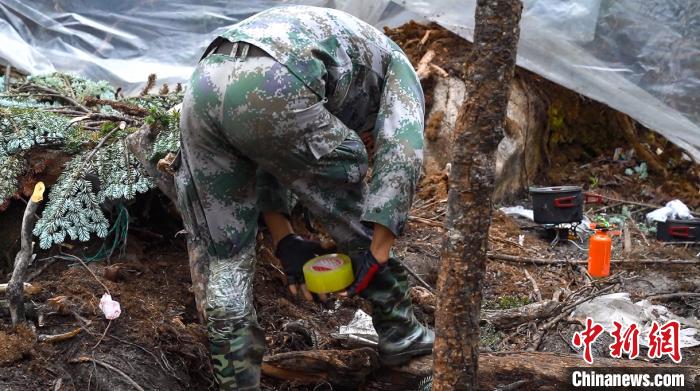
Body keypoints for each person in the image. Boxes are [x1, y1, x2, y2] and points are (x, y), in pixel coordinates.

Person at [174, 5, 433, 390]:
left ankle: (236, 381)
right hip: (275, 78)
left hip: (203, 85)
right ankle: (400, 331)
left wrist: (285, 240)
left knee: (226, 255)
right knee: (347, 159)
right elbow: (403, 150)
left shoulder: (342, 44)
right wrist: (378, 247)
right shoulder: (399, 68)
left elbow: (263, 152)